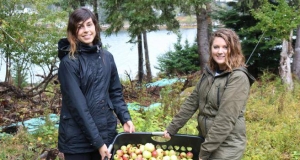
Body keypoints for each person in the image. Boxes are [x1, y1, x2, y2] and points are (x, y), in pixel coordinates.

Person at [163, 28, 255, 160]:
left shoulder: (238, 77)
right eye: (216, 47)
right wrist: (172, 128)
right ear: (211, 49)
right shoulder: (210, 72)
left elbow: (225, 119)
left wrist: (204, 153)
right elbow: (192, 101)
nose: (220, 51)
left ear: (233, 49)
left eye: (225, 47)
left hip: (227, 147)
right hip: (206, 141)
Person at [57, 7, 135, 160]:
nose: (86, 30)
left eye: (89, 24)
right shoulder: (69, 63)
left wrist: (125, 118)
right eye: (80, 27)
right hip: (77, 142)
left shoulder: (107, 57)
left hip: (106, 133)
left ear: (95, 27)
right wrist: (98, 143)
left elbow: (115, 93)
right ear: (73, 31)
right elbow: (78, 107)